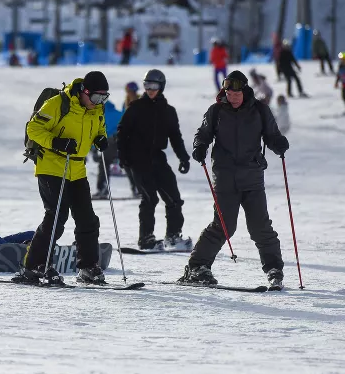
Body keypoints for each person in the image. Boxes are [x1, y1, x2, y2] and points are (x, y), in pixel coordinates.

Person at [185, 70, 288, 289]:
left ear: (245, 91)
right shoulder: (216, 111)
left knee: (260, 226)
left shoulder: (260, 110)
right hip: (225, 177)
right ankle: (197, 267)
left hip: (252, 177)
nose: (232, 98)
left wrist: (278, 143)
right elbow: (202, 134)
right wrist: (200, 146)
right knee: (223, 226)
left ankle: (273, 268)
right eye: (229, 94)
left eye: (236, 94)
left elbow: (271, 135)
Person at [16, 71, 109, 285]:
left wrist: (101, 138)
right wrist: (56, 142)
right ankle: (34, 266)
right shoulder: (58, 103)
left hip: (77, 168)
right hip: (51, 165)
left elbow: (99, 126)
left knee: (87, 219)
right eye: (96, 98)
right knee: (56, 217)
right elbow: (34, 128)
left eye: (104, 98)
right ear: (84, 92)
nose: (99, 103)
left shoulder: (97, 108)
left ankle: (88, 267)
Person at [117, 69, 191, 251]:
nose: (150, 90)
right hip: (138, 159)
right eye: (147, 86)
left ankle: (173, 236)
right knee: (149, 198)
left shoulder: (168, 111)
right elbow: (122, 132)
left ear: (161, 87)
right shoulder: (135, 108)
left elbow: (175, 136)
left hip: (158, 158)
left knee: (174, 198)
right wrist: (123, 157)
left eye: (154, 86)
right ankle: (146, 238)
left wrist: (183, 157)